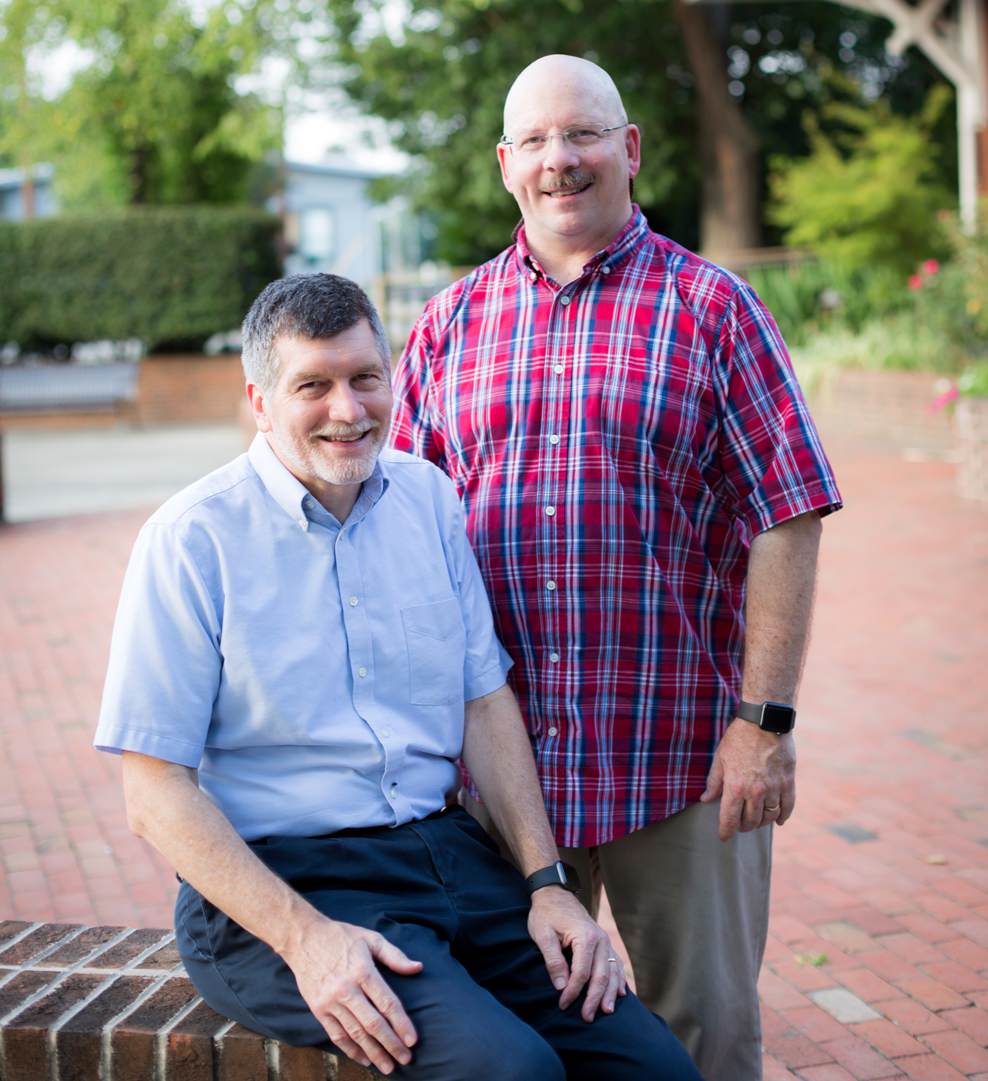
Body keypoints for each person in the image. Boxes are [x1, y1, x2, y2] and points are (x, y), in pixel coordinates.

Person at [93, 273, 702, 1081]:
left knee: (653, 1066)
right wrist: (307, 937)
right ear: (259, 397)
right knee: (510, 1071)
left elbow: (484, 703)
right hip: (286, 882)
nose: (347, 409)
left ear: (393, 377)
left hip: (450, 857)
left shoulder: (430, 500)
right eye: (313, 384)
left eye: (364, 377)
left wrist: (548, 884)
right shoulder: (190, 541)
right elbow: (155, 793)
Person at [391, 55, 843, 1081]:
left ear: (627, 149)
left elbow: (790, 512)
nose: (562, 159)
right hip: (495, 780)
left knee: (704, 1035)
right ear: (507, 165)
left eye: (583, 134)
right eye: (538, 142)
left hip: (677, 759)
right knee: (514, 1036)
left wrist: (763, 722)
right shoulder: (447, 324)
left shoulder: (712, 308)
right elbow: (400, 533)